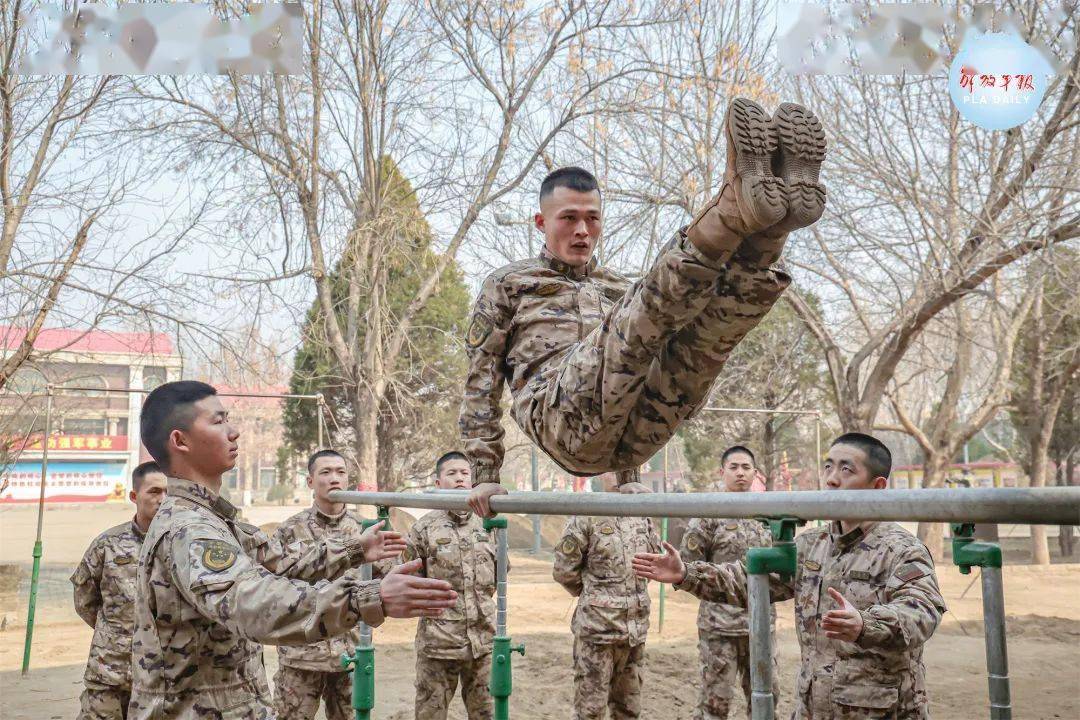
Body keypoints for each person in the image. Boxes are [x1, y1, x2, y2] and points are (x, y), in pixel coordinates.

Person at [462, 97, 828, 517]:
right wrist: (484, 470)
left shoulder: (616, 286)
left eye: (593, 218)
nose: (583, 231)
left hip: (636, 430)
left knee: (707, 336)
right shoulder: (510, 284)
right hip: (561, 420)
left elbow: (637, 356)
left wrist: (628, 476)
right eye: (568, 218)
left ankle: (773, 224)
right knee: (645, 313)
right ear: (541, 223)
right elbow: (480, 380)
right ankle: (731, 208)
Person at [128, 381, 457, 719]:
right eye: (218, 421)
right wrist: (369, 598)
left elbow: (277, 561)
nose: (235, 431)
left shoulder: (213, 519)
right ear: (180, 441)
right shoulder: (190, 529)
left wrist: (353, 548)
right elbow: (252, 600)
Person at [633, 433, 947, 719]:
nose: (832, 479)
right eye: (828, 467)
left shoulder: (901, 549)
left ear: (877, 486)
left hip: (879, 710)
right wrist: (686, 573)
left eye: (846, 470)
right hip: (814, 708)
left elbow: (922, 611)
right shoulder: (811, 547)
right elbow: (750, 581)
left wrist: (866, 624)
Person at [272, 449, 395, 720]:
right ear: (310, 482)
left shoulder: (367, 530)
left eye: (340, 472)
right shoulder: (289, 531)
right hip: (300, 656)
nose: (334, 478)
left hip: (350, 654)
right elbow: (274, 588)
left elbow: (387, 582)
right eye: (325, 472)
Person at [552, 473, 662, 720]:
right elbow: (563, 570)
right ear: (600, 473)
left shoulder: (641, 514)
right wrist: (595, 595)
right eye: (611, 468)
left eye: (623, 468)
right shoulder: (587, 513)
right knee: (590, 711)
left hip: (634, 633)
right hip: (597, 633)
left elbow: (654, 560)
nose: (618, 475)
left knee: (629, 710)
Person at [679, 446, 777, 719]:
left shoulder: (768, 513)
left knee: (767, 700)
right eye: (733, 467)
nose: (740, 473)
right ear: (722, 472)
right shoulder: (709, 513)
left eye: (746, 467)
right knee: (715, 703)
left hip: (760, 625)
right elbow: (690, 564)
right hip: (719, 627)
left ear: (755, 473)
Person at [405, 451, 500, 720]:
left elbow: (498, 575)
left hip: (482, 641)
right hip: (439, 643)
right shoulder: (423, 529)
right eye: (452, 473)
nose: (459, 478)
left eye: (465, 473)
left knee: (485, 713)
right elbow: (411, 579)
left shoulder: (489, 525)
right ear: (438, 483)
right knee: (430, 714)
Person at [71, 461, 167, 719]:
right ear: (134, 496)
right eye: (154, 491)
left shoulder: (179, 546)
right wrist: (116, 632)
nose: (163, 499)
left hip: (161, 677)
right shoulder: (108, 544)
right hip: (108, 671)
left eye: (169, 492)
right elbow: (85, 600)